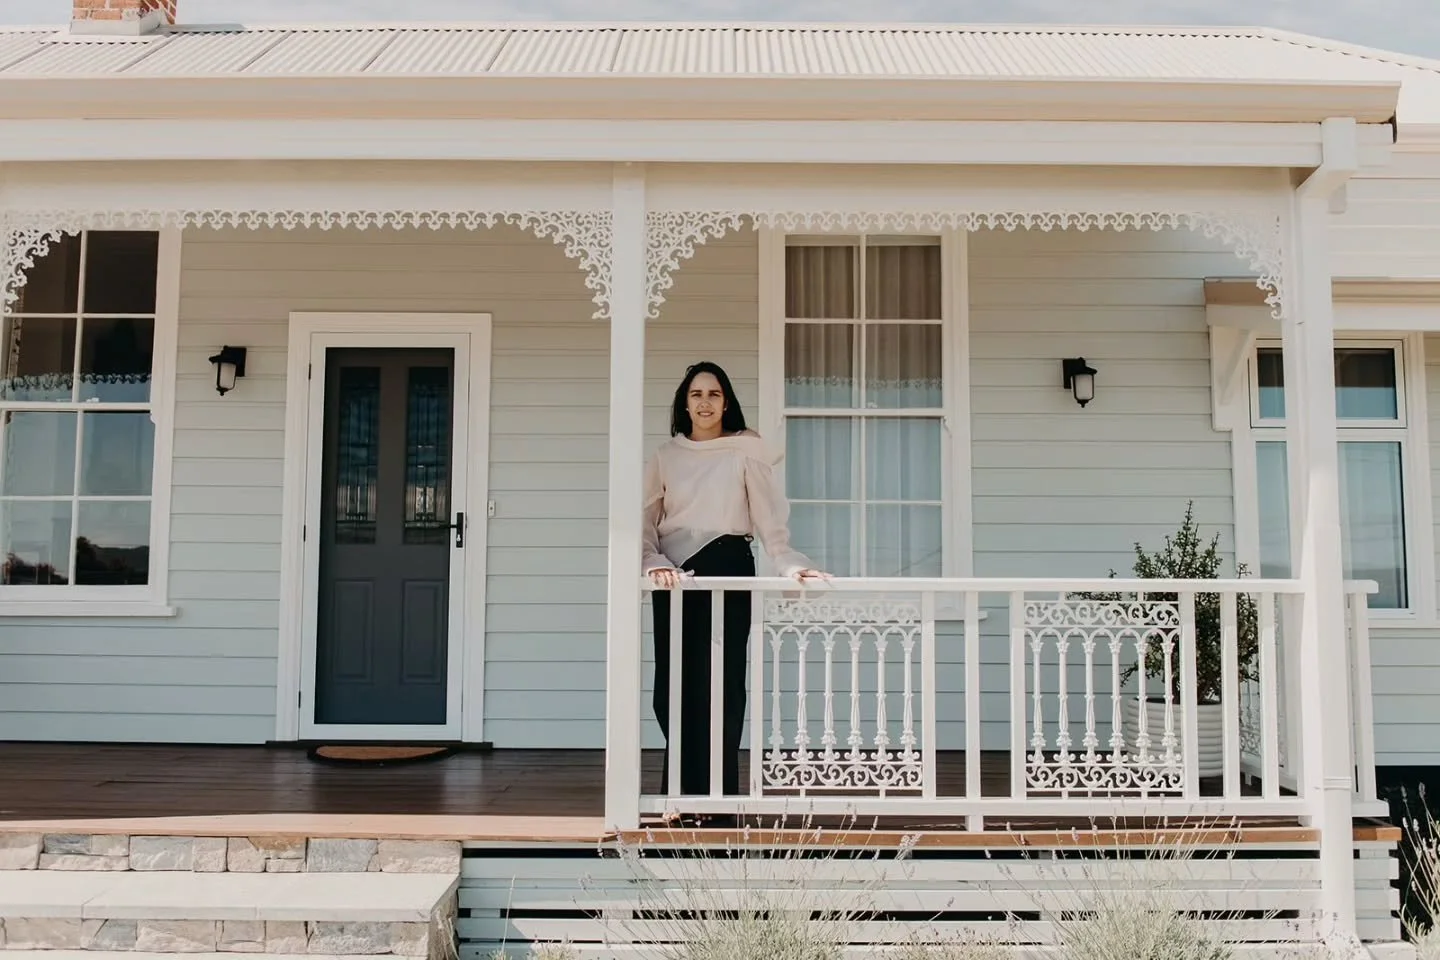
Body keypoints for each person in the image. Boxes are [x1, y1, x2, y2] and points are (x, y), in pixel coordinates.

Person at [642, 361, 827, 813]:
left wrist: (790, 565)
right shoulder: (665, 456)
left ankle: (718, 799)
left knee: (721, 687)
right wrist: (653, 563)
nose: (705, 403)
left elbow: (770, 523)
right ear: (684, 404)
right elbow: (645, 523)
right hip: (675, 577)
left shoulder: (745, 449)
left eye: (714, 394)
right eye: (696, 394)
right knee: (672, 689)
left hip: (728, 565)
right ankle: (679, 798)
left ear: (726, 403)